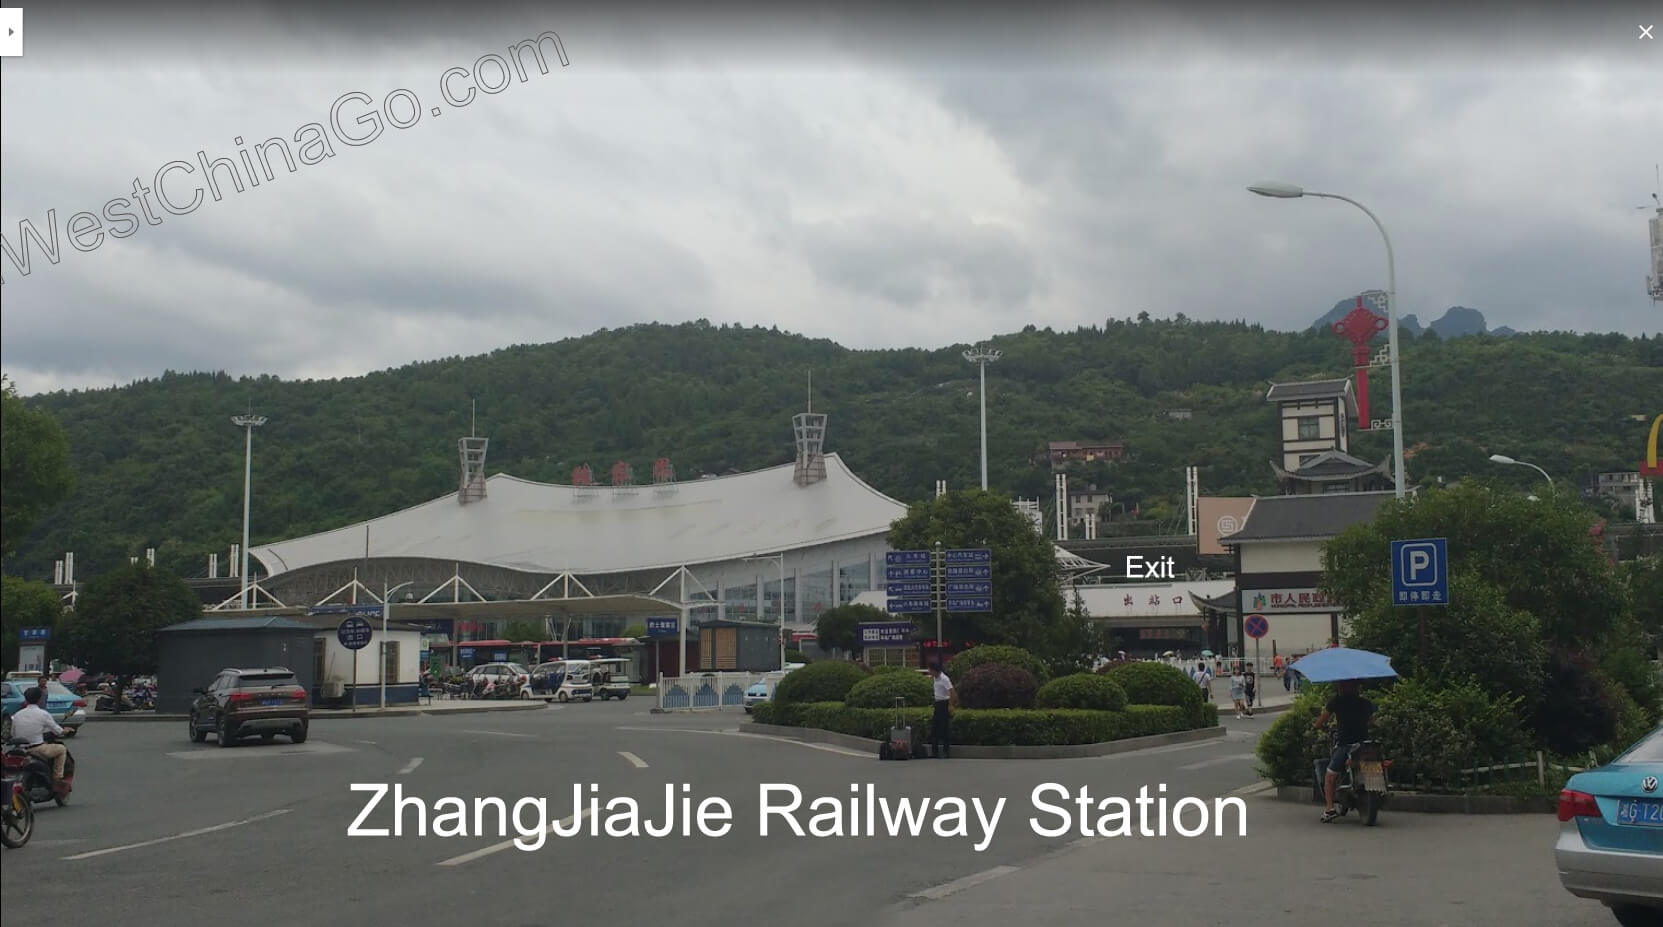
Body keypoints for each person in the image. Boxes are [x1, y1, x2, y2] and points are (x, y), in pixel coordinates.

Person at [1312, 680, 1375, 822]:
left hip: (1346, 746)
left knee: (1329, 776)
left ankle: (1329, 809)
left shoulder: (1336, 702)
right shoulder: (1365, 703)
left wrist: (1319, 726)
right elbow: (1371, 722)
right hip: (1364, 745)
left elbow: (1320, 722)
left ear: (1342, 686)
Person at [11, 687, 70, 792]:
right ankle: (57, 778)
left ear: (26, 699)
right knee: (61, 749)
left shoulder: (17, 715)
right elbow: (58, 731)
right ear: (39, 699)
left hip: (20, 750)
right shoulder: (43, 714)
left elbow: (13, 734)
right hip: (38, 748)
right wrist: (65, 730)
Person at [926, 663, 957, 758]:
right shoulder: (935, 678)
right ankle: (934, 752)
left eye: (930, 670)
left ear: (935, 670)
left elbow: (952, 692)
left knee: (944, 728)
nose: (929, 672)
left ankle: (946, 752)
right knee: (934, 729)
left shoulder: (944, 679)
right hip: (938, 704)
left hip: (944, 704)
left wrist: (951, 705)